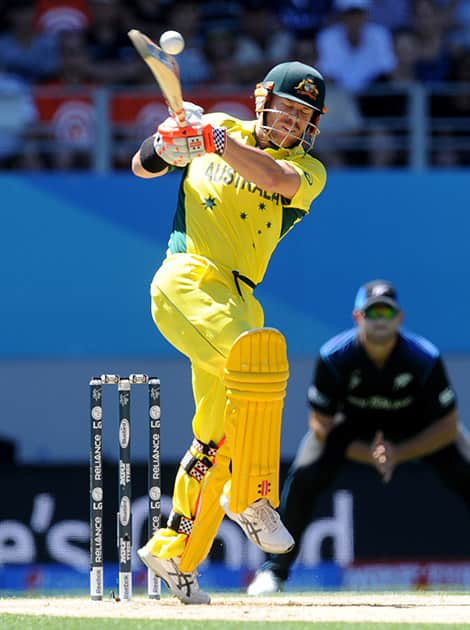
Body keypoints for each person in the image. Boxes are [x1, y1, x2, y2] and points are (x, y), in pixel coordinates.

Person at [131, 61, 328, 604]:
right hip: (189, 276)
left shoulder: (308, 170)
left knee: (217, 436)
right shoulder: (218, 125)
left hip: (241, 297)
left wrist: (212, 140)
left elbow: (275, 179)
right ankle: (255, 496)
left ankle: (175, 553)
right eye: (285, 109)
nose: (291, 123)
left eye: (302, 116)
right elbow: (143, 166)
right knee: (258, 364)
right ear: (261, 102)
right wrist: (170, 141)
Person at [248, 279, 470, 595]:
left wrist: (397, 453)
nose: (380, 320)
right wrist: (368, 454)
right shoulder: (334, 357)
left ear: (399, 318)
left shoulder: (425, 359)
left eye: (386, 313)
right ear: (357, 317)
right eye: (372, 312)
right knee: (305, 474)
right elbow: (321, 424)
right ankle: (274, 571)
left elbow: (448, 426)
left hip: (415, 429)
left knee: (466, 465)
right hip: (351, 431)